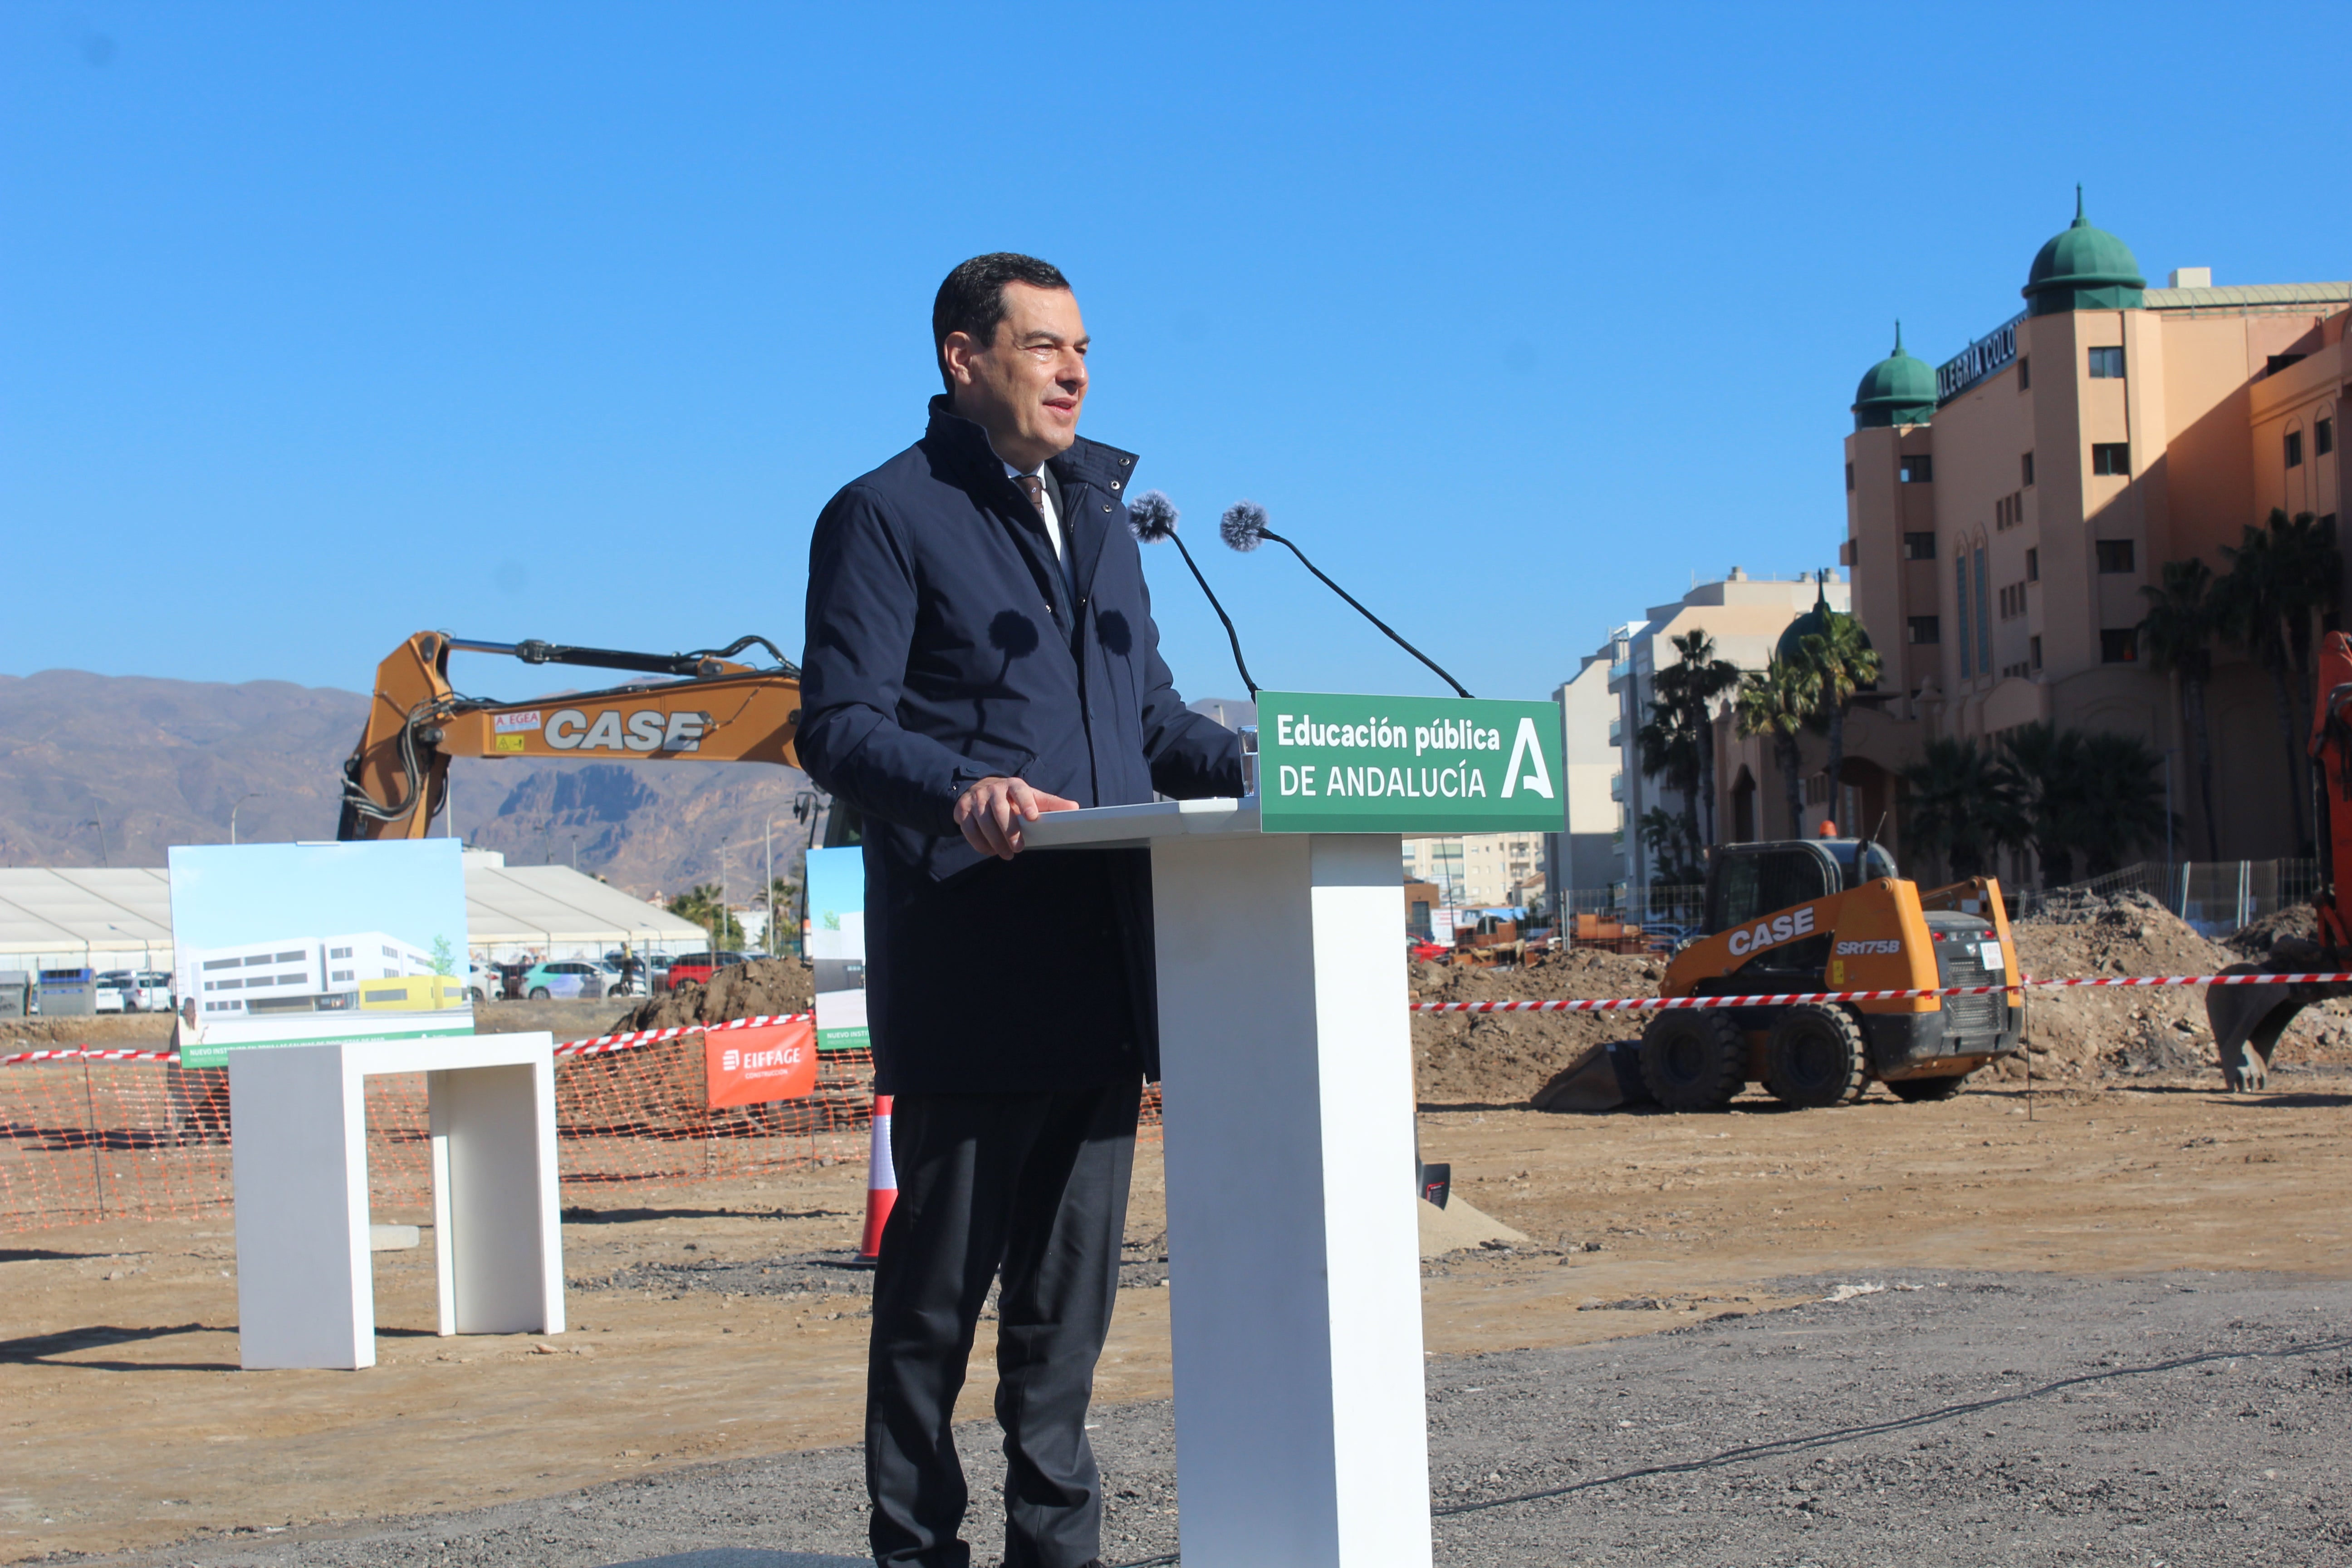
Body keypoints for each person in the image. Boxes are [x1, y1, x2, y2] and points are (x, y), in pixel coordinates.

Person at [796, 253, 1241, 1568]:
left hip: (1107, 977)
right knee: (935, 1312)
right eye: (1045, 346)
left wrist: (1266, 768)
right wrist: (961, 789)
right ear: (962, 356)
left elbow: (1150, 717)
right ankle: (918, 1547)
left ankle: (1059, 1555)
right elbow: (838, 727)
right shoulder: (883, 516)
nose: (1075, 371)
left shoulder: (1102, 522)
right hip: (978, 977)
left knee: (1065, 1327)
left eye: (1085, 348)